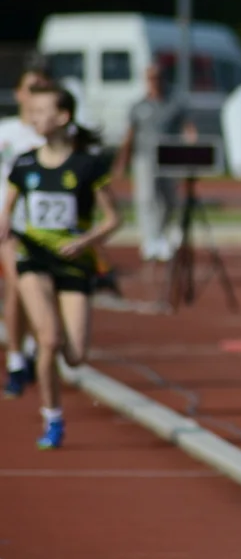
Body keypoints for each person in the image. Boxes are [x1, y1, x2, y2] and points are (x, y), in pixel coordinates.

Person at [0, 84, 123, 449]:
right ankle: (52, 419)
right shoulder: (24, 162)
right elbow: (8, 207)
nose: (34, 118)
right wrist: (5, 224)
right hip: (33, 257)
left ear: (63, 117)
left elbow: (114, 219)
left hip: (74, 262)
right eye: (32, 112)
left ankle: (46, 348)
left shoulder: (87, 166)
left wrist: (85, 242)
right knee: (50, 339)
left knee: (75, 356)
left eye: (41, 112)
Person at [111, 63, 197, 263]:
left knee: (170, 200)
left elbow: (188, 129)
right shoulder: (139, 106)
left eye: (157, 78)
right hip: (145, 157)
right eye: (150, 78)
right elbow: (129, 136)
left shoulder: (174, 103)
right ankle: (150, 239)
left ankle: (162, 234)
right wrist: (122, 161)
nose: (154, 82)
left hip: (170, 157)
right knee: (147, 197)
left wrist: (191, 153)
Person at [0, 66, 48, 399]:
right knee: (18, 285)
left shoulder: (53, 132)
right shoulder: (6, 132)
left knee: (43, 292)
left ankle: (32, 348)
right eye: (31, 88)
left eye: (43, 88)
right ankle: (16, 360)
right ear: (19, 93)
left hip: (48, 229)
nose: (36, 95)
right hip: (11, 224)